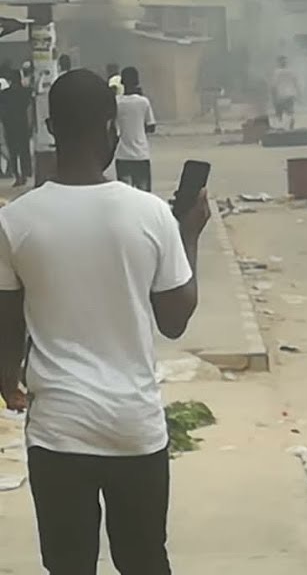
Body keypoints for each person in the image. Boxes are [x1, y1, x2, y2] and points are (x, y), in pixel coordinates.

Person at [0, 68, 208, 575]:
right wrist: (192, 234)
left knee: (69, 565)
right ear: (112, 128)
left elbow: (6, 323)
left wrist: (8, 381)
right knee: (143, 560)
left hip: (58, 432)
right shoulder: (151, 215)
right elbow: (175, 320)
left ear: (50, 126)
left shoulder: (14, 220)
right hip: (133, 426)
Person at [114, 67, 157, 192]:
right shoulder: (143, 102)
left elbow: (112, 127)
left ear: (122, 82)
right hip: (141, 155)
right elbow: (151, 127)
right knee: (144, 193)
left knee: (125, 194)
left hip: (122, 155)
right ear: (138, 81)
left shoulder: (117, 102)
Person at [270, 56, 300, 130]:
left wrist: (273, 97)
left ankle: (281, 129)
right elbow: (296, 84)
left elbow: (273, 85)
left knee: (279, 114)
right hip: (290, 96)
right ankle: (291, 128)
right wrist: (298, 94)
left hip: (280, 96)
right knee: (290, 113)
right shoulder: (291, 72)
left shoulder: (276, 72)